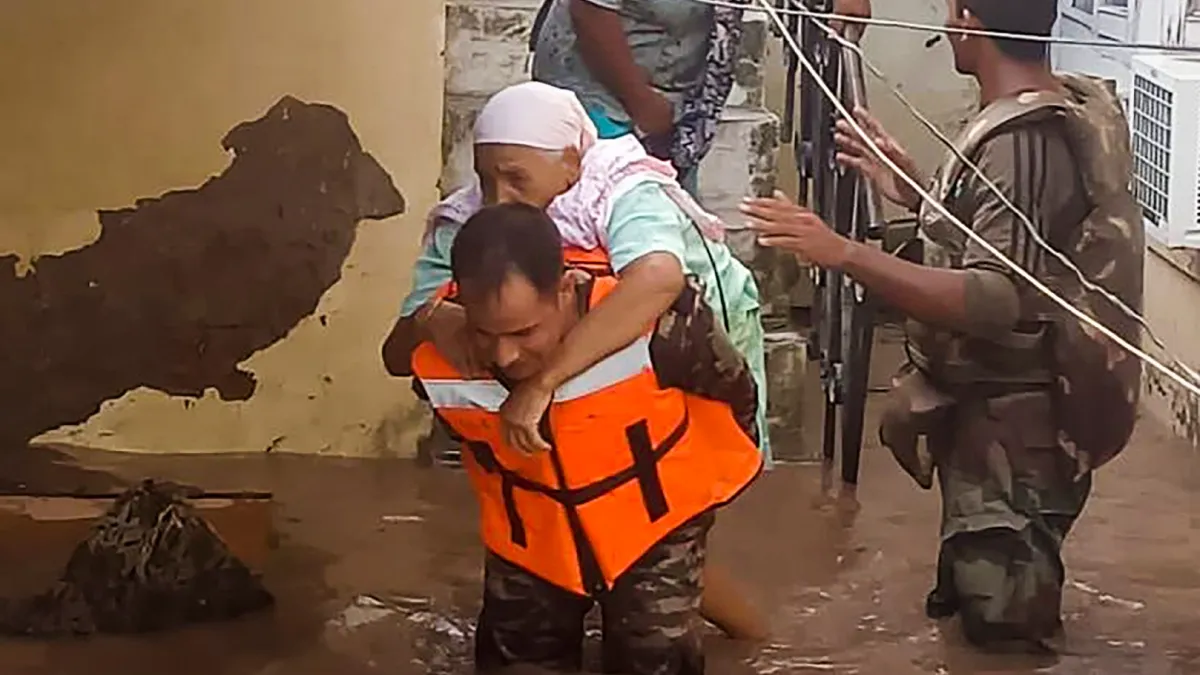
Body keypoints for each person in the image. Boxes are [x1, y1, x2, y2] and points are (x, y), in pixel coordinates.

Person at [741, 0, 1144, 653]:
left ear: (967, 19)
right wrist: (919, 191)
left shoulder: (1023, 141)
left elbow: (994, 298)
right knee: (976, 615)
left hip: (1017, 441)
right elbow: (1019, 247)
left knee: (1007, 636)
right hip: (996, 426)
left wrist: (843, 252)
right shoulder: (1024, 120)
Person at [383, 82, 771, 641]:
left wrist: (543, 382)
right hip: (578, 386)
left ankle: (755, 638)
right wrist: (433, 316)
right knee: (603, 520)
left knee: (659, 525)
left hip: (682, 346)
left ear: (571, 162)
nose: (498, 197)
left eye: (516, 178)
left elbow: (658, 281)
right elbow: (404, 339)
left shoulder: (622, 189)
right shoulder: (470, 225)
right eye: (486, 178)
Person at [410, 203, 763, 674]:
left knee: (654, 654)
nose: (505, 355)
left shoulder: (657, 327)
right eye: (484, 333)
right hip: (532, 541)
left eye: (524, 332)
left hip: (655, 527)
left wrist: (697, 502)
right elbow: (399, 357)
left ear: (566, 288)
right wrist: (428, 318)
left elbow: (734, 389)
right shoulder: (446, 349)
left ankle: (754, 636)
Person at [530, 0, 874, 195]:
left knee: (669, 226)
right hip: (596, 92)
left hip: (676, 94)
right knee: (613, 226)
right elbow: (589, 11)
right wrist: (641, 102)